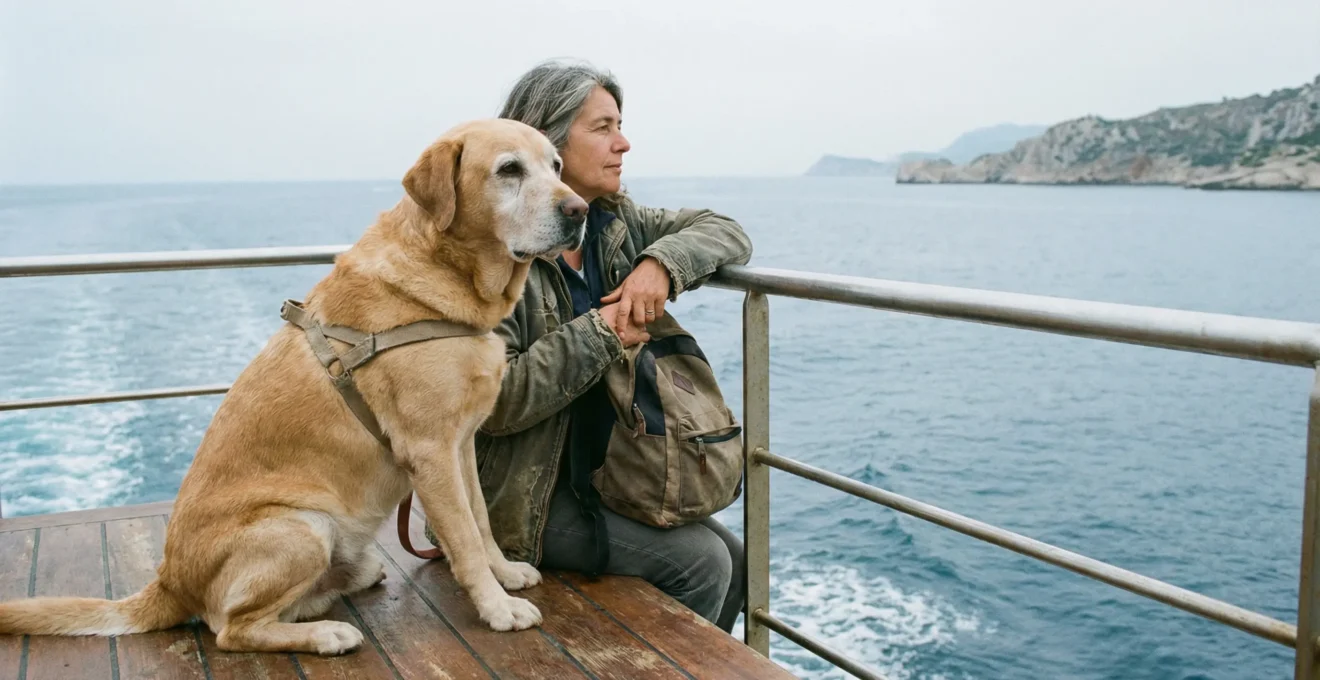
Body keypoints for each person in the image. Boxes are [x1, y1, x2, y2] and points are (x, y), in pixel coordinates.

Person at [457, 59, 753, 633]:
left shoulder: (613, 223)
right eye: (603, 127)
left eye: (620, 125)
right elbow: (497, 403)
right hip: (517, 502)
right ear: (547, 138)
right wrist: (605, 331)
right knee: (706, 563)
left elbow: (726, 229)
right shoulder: (493, 243)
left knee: (735, 559)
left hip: (596, 475)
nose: (623, 143)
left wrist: (661, 264)